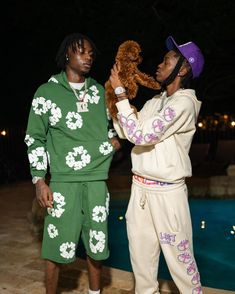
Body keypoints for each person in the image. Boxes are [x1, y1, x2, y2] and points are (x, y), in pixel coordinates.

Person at [24, 33, 120, 294]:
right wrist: (39, 180)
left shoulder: (99, 91)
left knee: (97, 246)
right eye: (81, 51)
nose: (88, 56)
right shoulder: (47, 92)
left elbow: (110, 129)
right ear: (67, 54)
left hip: (97, 182)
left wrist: (113, 141)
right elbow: (35, 137)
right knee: (56, 248)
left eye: (91, 53)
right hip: (63, 184)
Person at [109, 35, 205, 294]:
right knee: (141, 266)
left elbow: (144, 135)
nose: (159, 65)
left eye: (167, 60)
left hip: (167, 194)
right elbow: (131, 132)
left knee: (181, 265)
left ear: (183, 69)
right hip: (139, 190)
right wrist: (114, 103)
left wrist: (120, 94)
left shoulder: (185, 102)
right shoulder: (155, 102)